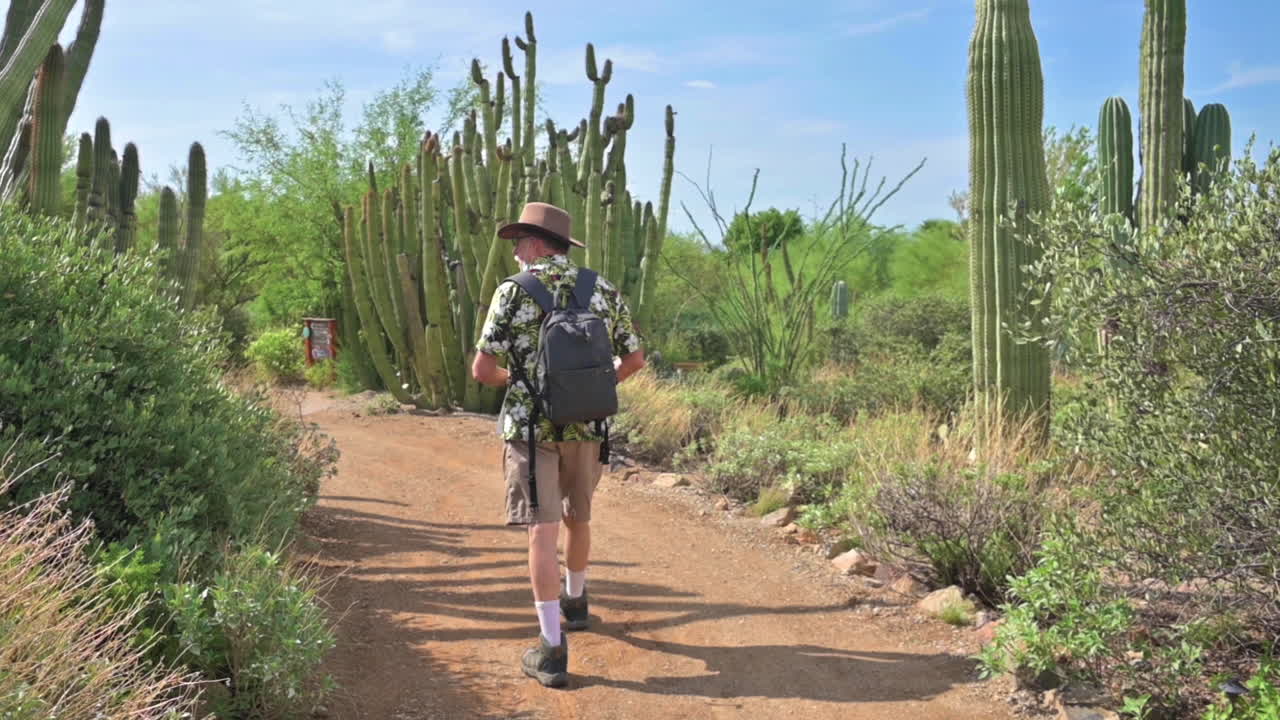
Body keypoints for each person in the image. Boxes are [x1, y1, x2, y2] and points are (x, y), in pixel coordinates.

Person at [471, 201, 646, 688]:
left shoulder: (514, 291)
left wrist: (526, 383)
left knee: (542, 531)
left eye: (516, 243)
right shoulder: (602, 288)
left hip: (532, 429)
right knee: (580, 516)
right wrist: (590, 386)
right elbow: (635, 359)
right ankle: (578, 601)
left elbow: (483, 371)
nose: (513, 252)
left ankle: (551, 650)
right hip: (588, 425)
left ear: (532, 244)